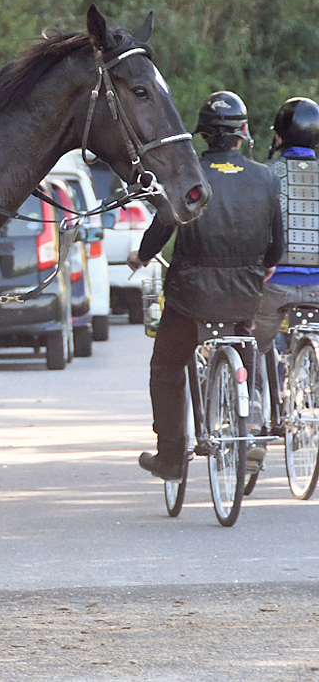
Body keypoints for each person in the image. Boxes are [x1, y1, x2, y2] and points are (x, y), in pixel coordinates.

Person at [128, 91, 283, 481]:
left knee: (166, 367)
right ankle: (247, 436)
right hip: (243, 297)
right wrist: (262, 268)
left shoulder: (187, 176)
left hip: (190, 299)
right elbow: (275, 247)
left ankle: (171, 457)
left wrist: (142, 256)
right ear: (244, 132)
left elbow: (161, 227)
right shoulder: (265, 178)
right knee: (245, 346)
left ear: (200, 135)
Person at [249, 97, 319, 461]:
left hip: (273, 286)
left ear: (278, 137)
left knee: (254, 344)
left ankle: (256, 427)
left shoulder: (264, 174)